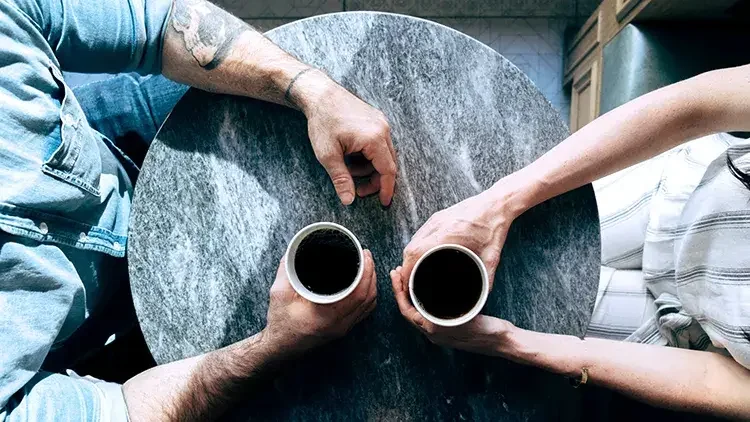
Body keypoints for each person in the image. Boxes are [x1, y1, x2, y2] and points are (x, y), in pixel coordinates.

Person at [0, 0, 395, 419]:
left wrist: (313, 91)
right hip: (95, 323)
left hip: (104, 141)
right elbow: (119, 411)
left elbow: (159, 25)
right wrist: (274, 346)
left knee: (345, 99)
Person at [391, 64, 750, 419]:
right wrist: (498, 204)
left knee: (526, 314)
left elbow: (722, 385)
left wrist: (509, 341)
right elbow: (695, 104)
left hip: (691, 334)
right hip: (679, 195)